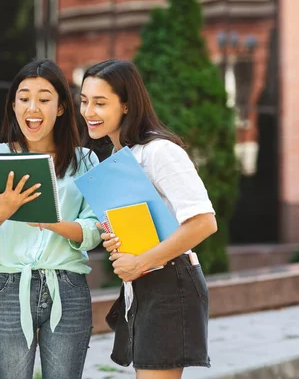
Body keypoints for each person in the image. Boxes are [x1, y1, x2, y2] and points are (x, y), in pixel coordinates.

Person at [0, 59, 101, 379]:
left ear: (62, 107)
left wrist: (54, 223)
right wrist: (0, 214)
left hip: (67, 288)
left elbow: (96, 228)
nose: (32, 107)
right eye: (23, 98)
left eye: (44, 98)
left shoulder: (85, 160)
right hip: (8, 288)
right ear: (13, 106)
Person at [79, 59, 217, 379]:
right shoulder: (119, 158)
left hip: (170, 283)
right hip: (143, 286)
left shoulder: (159, 151)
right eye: (84, 101)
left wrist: (139, 262)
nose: (89, 112)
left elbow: (204, 222)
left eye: (100, 103)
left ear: (126, 105)